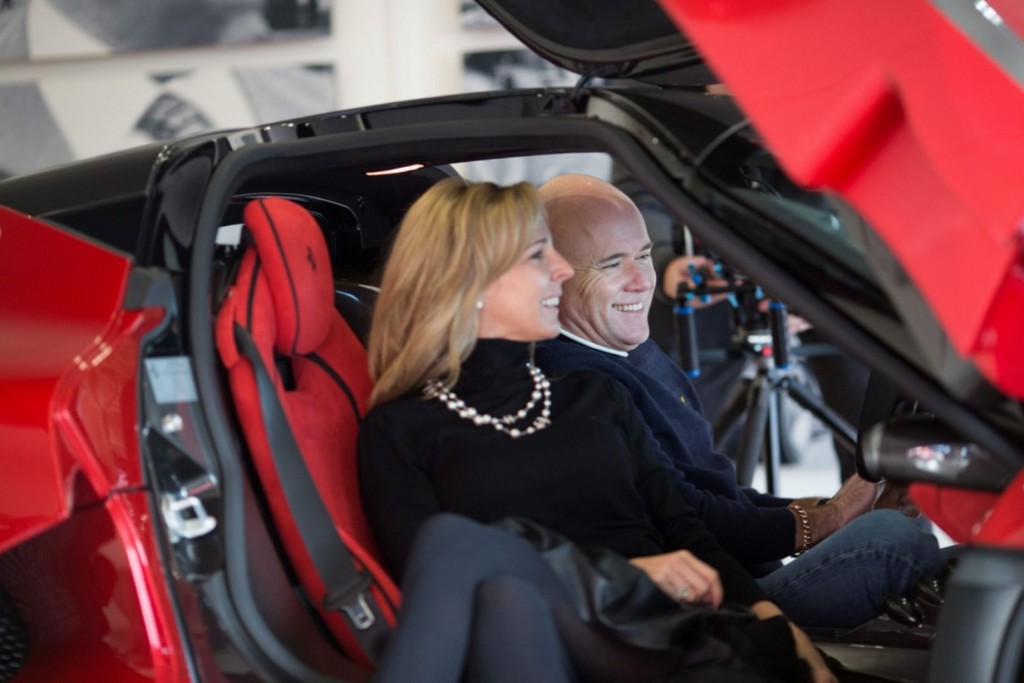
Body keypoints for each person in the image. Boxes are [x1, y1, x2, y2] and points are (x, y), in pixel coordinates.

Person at [358, 178, 836, 682]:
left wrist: (777, 625)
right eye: (540, 255)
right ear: (473, 281)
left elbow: (686, 530)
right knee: (491, 584)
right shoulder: (400, 429)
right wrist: (611, 573)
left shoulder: (594, 391)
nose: (563, 270)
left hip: (661, 633)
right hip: (542, 643)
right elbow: (433, 585)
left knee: (474, 560)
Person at [533, 173, 947, 629]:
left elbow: (720, 492)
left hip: (740, 573)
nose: (641, 280)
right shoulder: (577, 380)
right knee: (888, 538)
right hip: (711, 610)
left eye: (645, 255)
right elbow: (692, 518)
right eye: (611, 264)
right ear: (553, 275)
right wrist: (835, 515)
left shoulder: (627, 350)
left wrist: (835, 508)